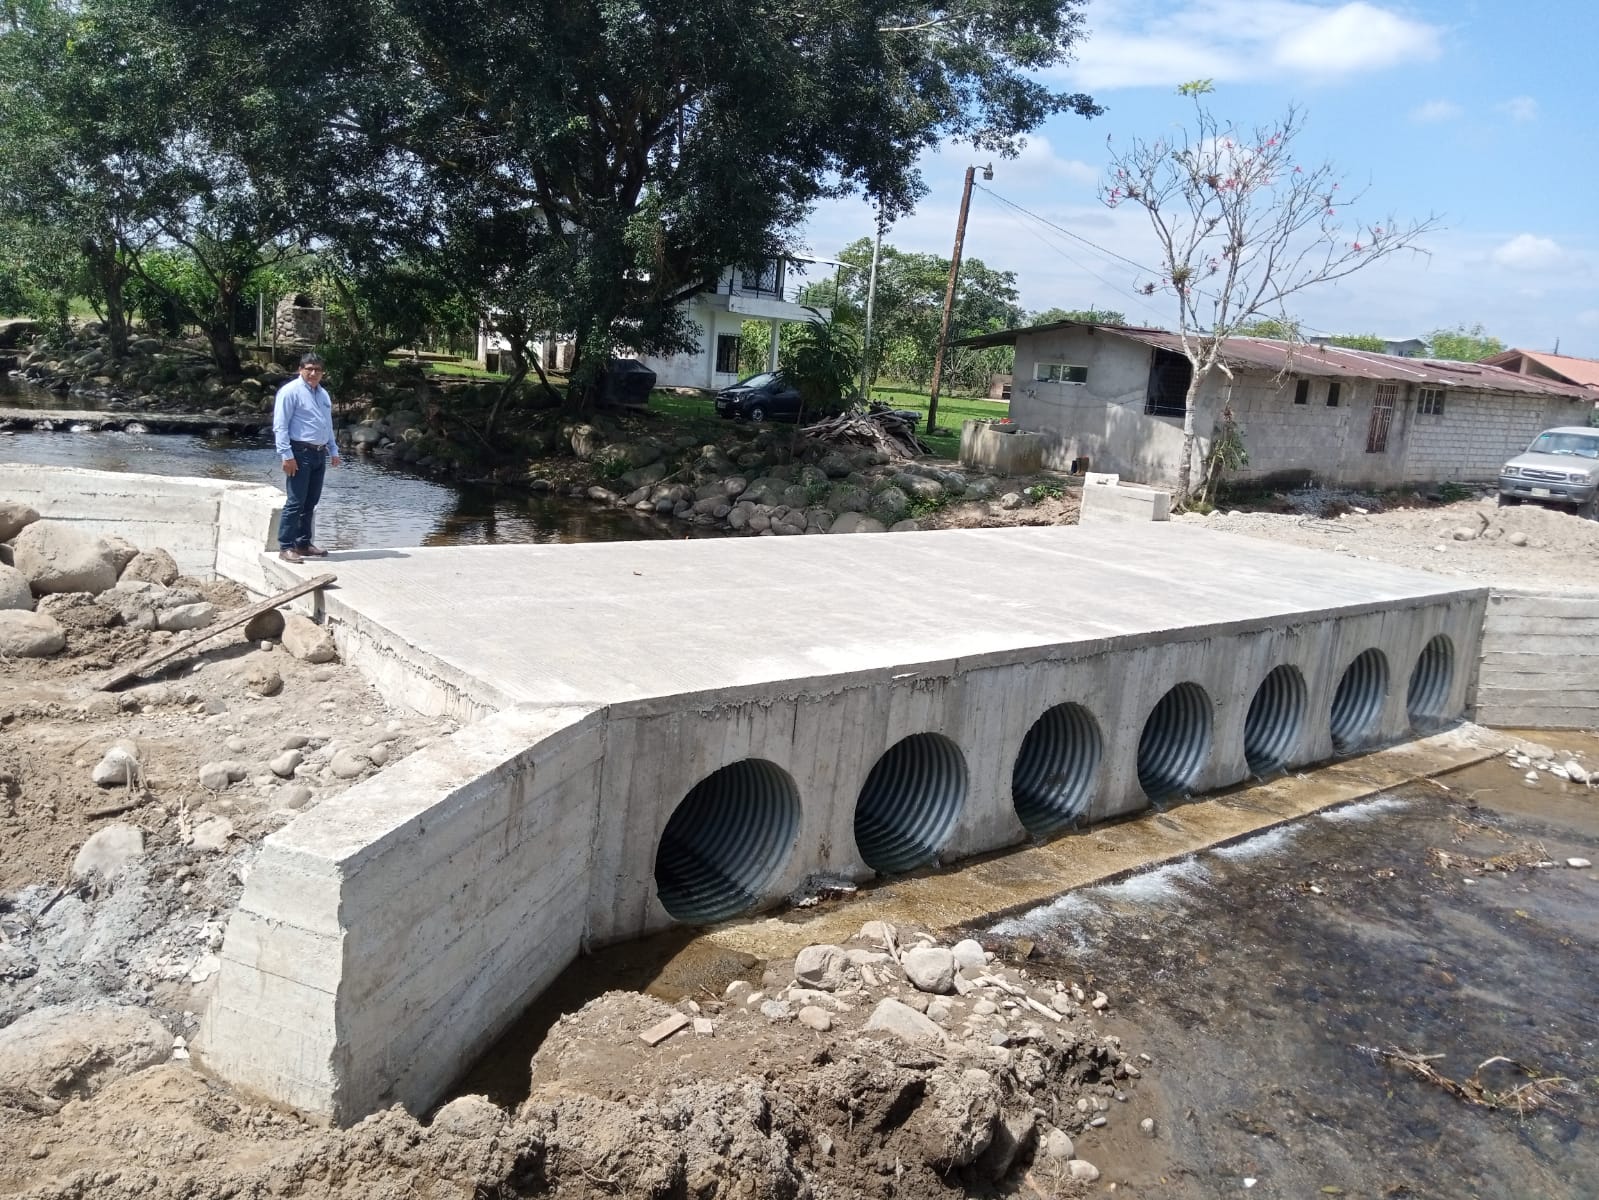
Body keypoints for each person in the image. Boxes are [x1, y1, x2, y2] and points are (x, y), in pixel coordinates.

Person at [272, 352, 341, 562]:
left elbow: (327, 424)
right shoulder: (290, 392)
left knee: (311, 501)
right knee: (295, 502)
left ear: (322, 372)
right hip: (299, 452)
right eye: (309, 369)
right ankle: (286, 546)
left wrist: (333, 450)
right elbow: (280, 425)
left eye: (317, 369)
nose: (313, 373)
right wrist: (286, 455)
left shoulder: (323, 394)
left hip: (319, 453)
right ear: (300, 369)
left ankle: (303, 543)